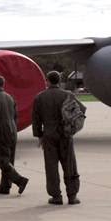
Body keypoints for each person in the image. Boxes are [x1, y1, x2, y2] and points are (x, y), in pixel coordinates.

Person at [32, 70, 80, 205]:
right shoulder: (68, 95)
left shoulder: (40, 97)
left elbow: (36, 119)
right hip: (65, 134)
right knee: (69, 165)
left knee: (51, 167)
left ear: (47, 81)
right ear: (59, 81)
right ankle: (72, 195)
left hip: (49, 135)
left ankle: (56, 196)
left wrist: (39, 135)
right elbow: (78, 113)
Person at [0, 76, 29, 195]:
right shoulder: (10, 97)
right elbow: (16, 116)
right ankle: (5, 185)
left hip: (1, 132)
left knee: (1, 159)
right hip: (12, 130)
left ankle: (20, 180)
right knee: (9, 159)